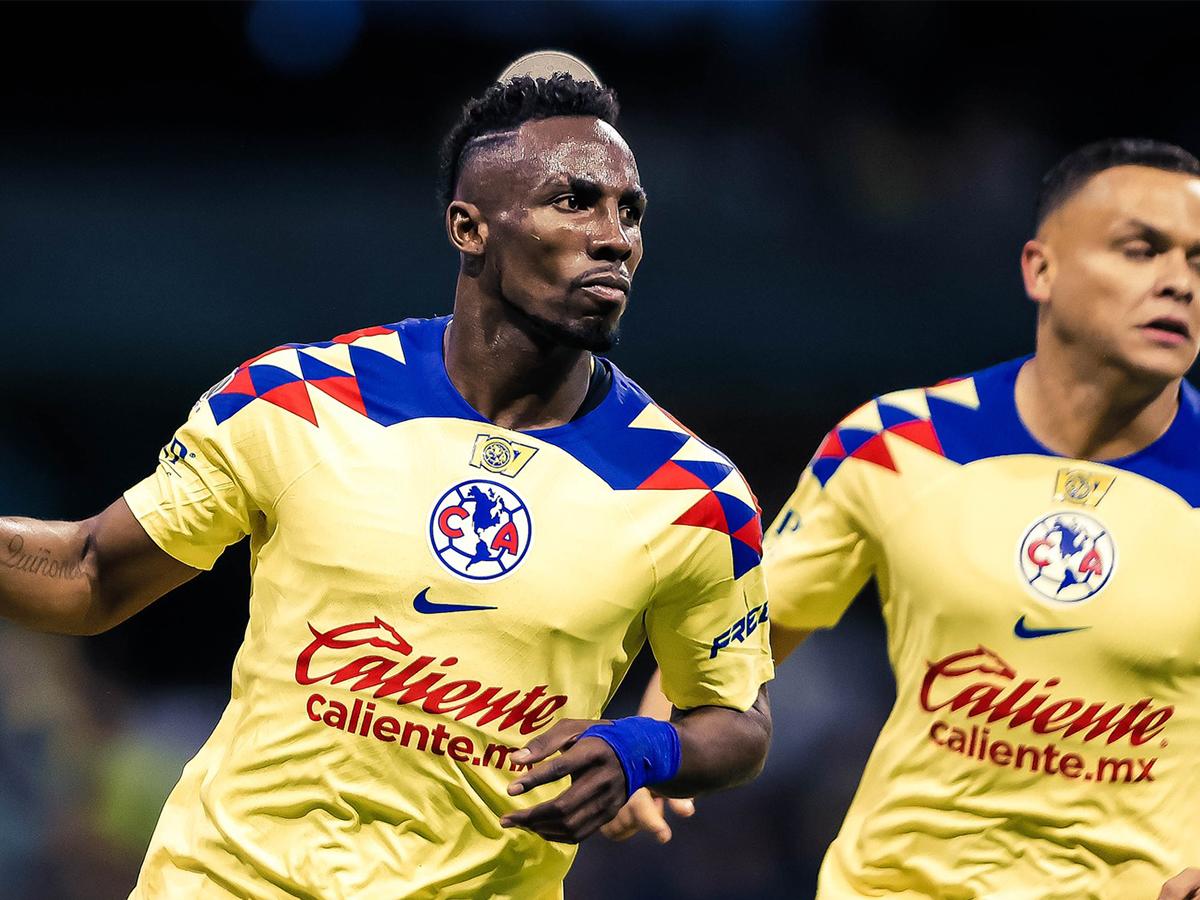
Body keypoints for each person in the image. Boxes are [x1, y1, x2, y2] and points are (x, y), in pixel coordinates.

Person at [0, 68, 774, 898]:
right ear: (468, 226)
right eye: (574, 201)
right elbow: (89, 574)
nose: (615, 236)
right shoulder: (298, 401)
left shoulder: (693, 496)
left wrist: (642, 751)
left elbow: (736, 723)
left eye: (631, 211)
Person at [612, 138, 1200, 899]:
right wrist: (653, 747)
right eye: (1141, 250)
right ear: (1040, 268)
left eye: (1197, 261)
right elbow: (741, 637)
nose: (1178, 283)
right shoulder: (899, 445)